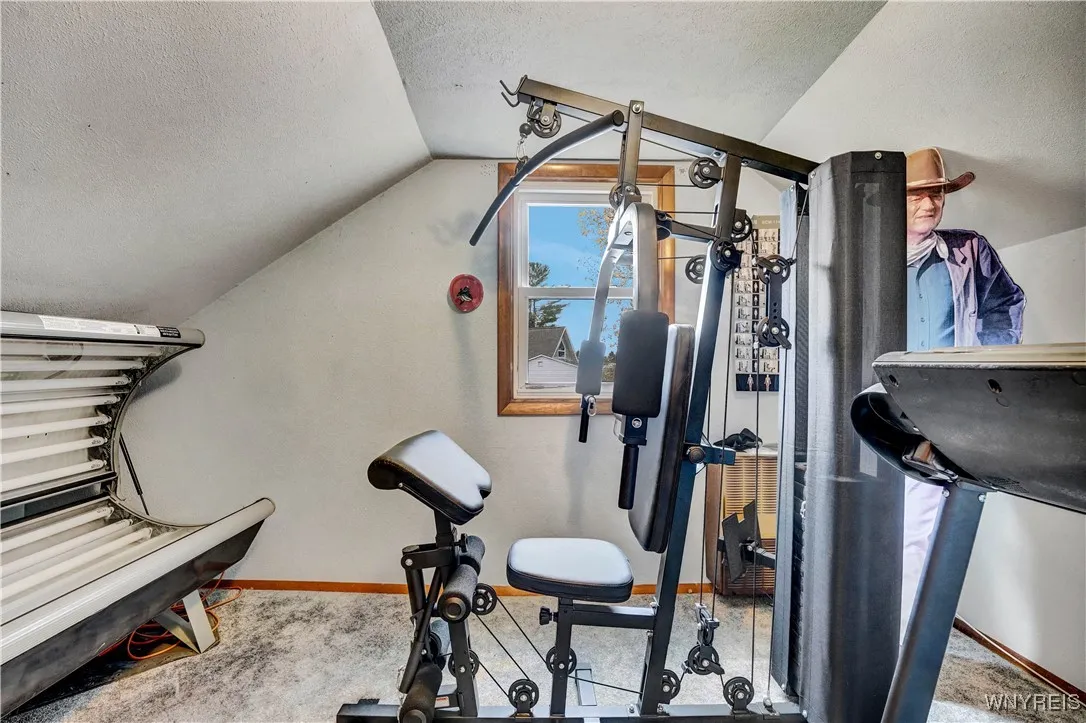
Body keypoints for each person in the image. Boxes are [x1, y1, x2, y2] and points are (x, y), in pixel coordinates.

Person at [901, 147, 1026, 638]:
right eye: (917, 194)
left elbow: (1007, 303)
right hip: (889, 407)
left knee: (925, 527)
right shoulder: (872, 254)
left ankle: (908, 637)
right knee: (888, 524)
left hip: (950, 410)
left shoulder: (970, 250)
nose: (930, 204)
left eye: (937, 193)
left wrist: (984, 375)